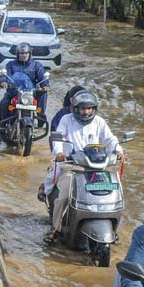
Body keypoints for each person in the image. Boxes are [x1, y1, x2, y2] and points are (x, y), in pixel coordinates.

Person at [38, 90, 121, 238]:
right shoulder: (66, 120)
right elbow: (58, 138)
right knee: (63, 194)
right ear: (75, 108)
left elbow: (110, 138)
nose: (86, 112)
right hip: (72, 164)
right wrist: (59, 153)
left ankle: (114, 229)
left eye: (89, 108)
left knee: (114, 192)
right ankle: (55, 227)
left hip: (96, 166)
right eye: (83, 108)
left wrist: (118, 150)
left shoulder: (99, 122)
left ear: (94, 109)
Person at [0, 42, 49, 134]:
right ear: (17, 54)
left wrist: (45, 85)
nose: (24, 55)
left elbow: (42, 77)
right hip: (14, 91)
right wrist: (4, 82)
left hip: (30, 93)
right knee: (4, 103)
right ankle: (3, 126)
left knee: (43, 94)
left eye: (26, 53)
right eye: (21, 53)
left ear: (30, 54)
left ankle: (41, 119)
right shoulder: (11, 64)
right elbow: (5, 75)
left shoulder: (36, 65)